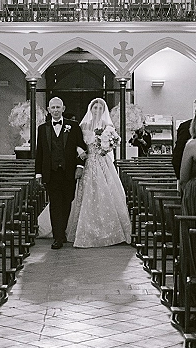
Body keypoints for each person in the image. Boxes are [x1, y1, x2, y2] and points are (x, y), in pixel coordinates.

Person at [66, 98, 132, 248]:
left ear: (103, 111)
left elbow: (112, 145)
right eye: (94, 107)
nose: (97, 110)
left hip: (102, 161)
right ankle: (82, 229)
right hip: (88, 161)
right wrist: (79, 150)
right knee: (86, 193)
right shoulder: (83, 125)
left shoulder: (108, 126)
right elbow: (76, 143)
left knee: (105, 192)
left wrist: (107, 146)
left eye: (100, 108)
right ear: (91, 109)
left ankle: (109, 230)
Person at [35, 97, 87, 249]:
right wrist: (38, 173)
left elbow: (81, 147)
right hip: (50, 172)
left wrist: (80, 166)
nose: (56, 110)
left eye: (58, 107)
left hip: (68, 172)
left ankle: (61, 231)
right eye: (53, 107)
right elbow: (40, 153)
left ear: (63, 109)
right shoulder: (42, 129)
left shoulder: (74, 126)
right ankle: (58, 237)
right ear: (49, 110)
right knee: (55, 204)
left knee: (67, 202)